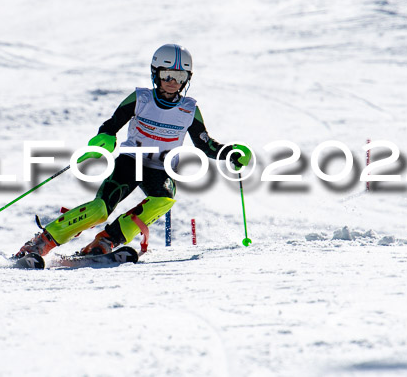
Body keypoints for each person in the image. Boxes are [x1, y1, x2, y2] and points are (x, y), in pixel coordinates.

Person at [14, 44, 252, 259]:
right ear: (155, 74)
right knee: (100, 209)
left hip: (160, 169)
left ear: (187, 79)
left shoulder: (189, 109)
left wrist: (229, 154)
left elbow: (203, 143)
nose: (172, 82)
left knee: (164, 199)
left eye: (179, 76)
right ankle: (42, 242)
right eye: (167, 75)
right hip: (131, 162)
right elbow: (110, 125)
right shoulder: (141, 98)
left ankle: (106, 242)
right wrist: (104, 138)